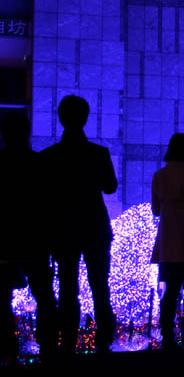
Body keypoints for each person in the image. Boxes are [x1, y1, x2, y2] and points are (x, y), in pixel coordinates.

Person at [40, 95, 118, 355]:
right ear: (85, 118)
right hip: (94, 226)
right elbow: (110, 187)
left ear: (61, 118)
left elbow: (43, 197)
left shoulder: (49, 156)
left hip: (63, 228)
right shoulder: (98, 153)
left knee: (67, 288)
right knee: (100, 285)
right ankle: (104, 341)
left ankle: (68, 342)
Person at [0, 113, 56, 364]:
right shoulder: (39, 163)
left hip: (5, 239)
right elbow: (49, 204)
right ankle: (48, 347)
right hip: (35, 239)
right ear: (26, 133)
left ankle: (8, 350)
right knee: (44, 295)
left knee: (2, 297)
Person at [151, 133, 184, 350]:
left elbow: (155, 210)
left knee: (170, 293)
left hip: (166, 242)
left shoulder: (159, 175)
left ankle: (168, 336)